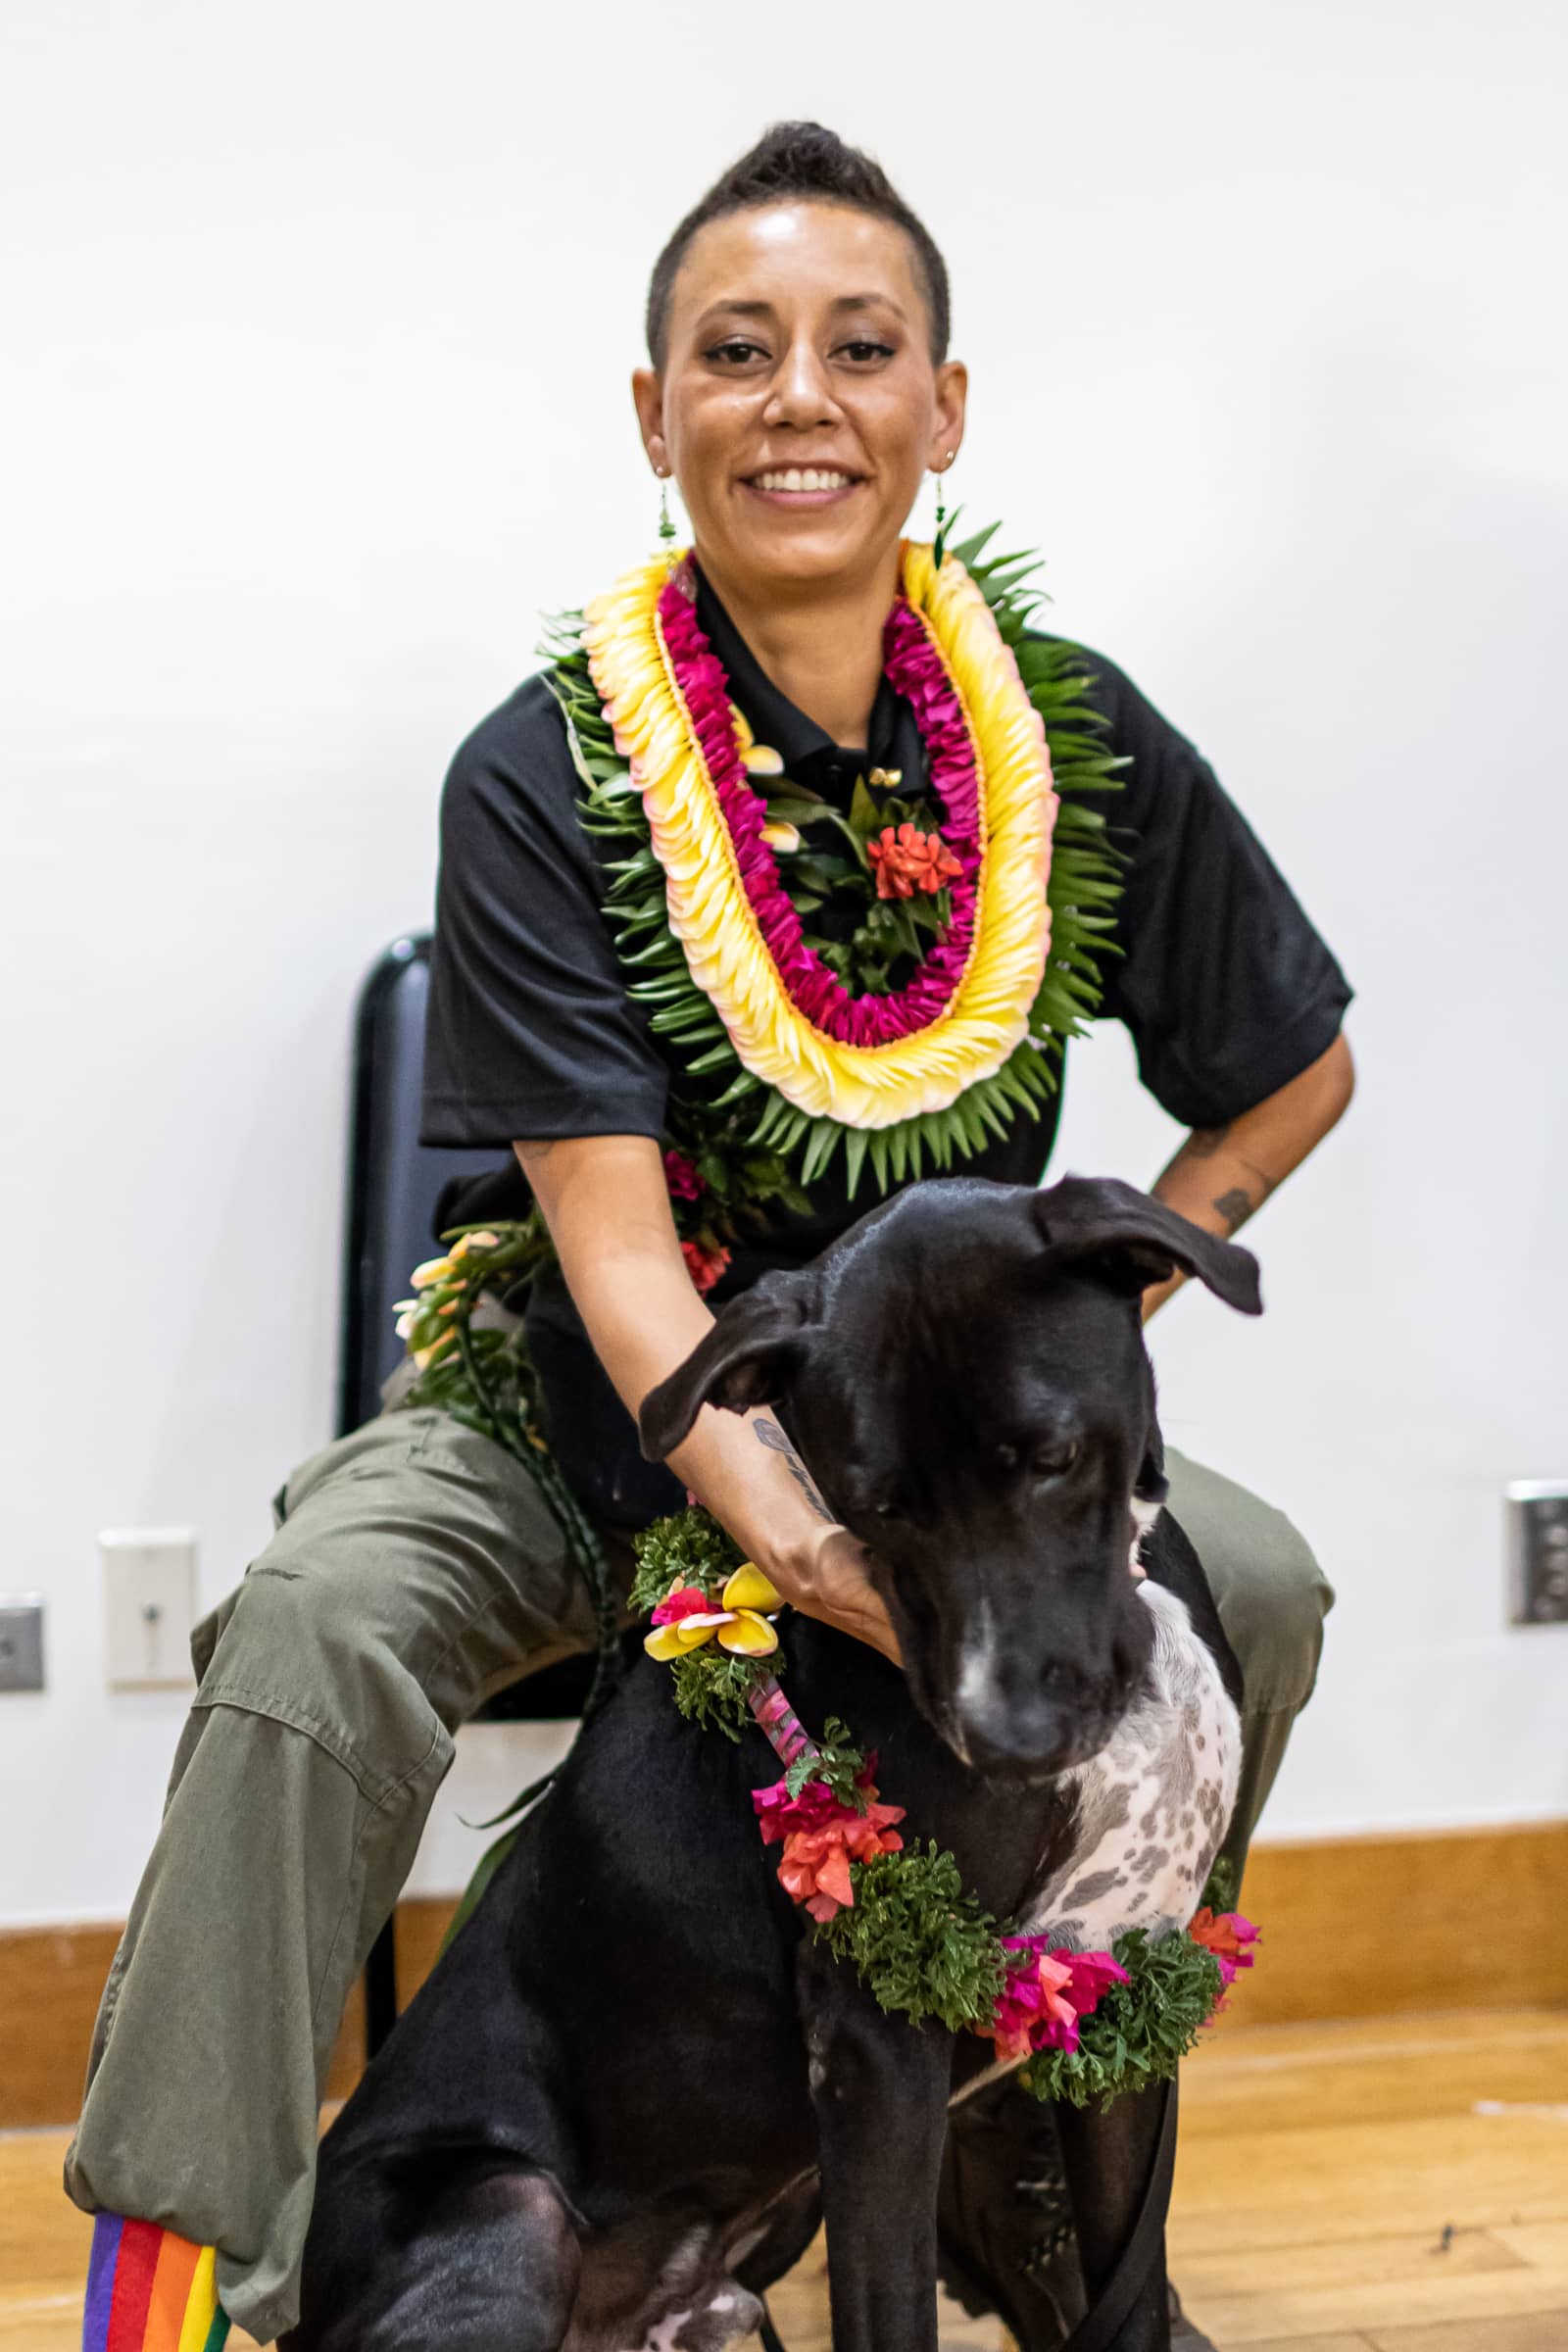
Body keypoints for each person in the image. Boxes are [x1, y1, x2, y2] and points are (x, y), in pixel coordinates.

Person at [69, 121, 1352, 2352]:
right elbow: (621, 1253)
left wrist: (1103, 1294)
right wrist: (790, 1543)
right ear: (651, 415)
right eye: (732, 352)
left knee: (1245, 1585)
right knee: (305, 1636)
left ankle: (1016, 2154)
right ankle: (207, 2277)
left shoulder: (1066, 740)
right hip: (588, 1409)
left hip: (920, 1452)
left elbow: (1291, 1065)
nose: (798, 399)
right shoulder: (544, 764)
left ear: (941, 409)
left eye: (859, 347)